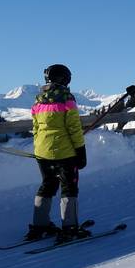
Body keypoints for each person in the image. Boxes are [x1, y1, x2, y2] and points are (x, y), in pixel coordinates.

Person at [25, 64, 90, 244]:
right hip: (64, 153)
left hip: (42, 152)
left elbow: (36, 128)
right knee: (69, 187)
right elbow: (74, 128)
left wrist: (40, 148)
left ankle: (40, 225)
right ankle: (70, 228)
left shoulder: (39, 99)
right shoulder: (67, 98)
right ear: (64, 79)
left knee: (48, 184)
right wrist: (80, 150)